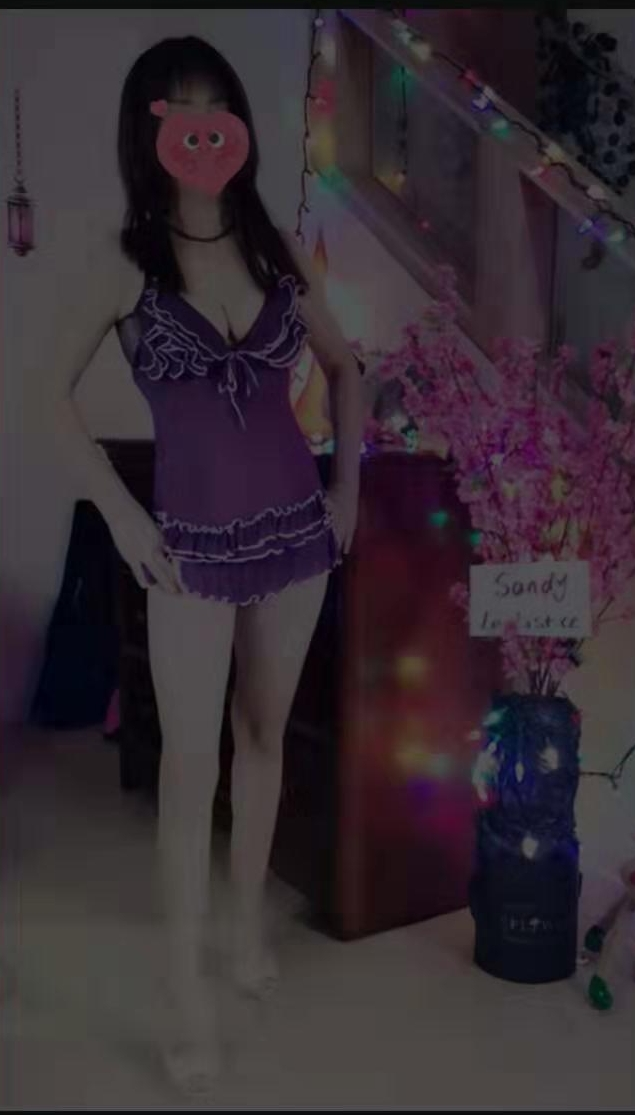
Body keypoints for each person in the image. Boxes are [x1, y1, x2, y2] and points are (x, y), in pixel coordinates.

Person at [47, 35, 364, 1097]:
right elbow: (42, 395)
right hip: (187, 550)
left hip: (297, 538)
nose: (198, 123)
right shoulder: (127, 260)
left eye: (214, 102)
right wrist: (121, 517)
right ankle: (185, 995)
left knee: (261, 735)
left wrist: (348, 490)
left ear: (235, 123)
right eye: (175, 107)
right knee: (191, 773)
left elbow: (344, 367)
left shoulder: (275, 246)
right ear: (148, 129)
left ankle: (241, 928)